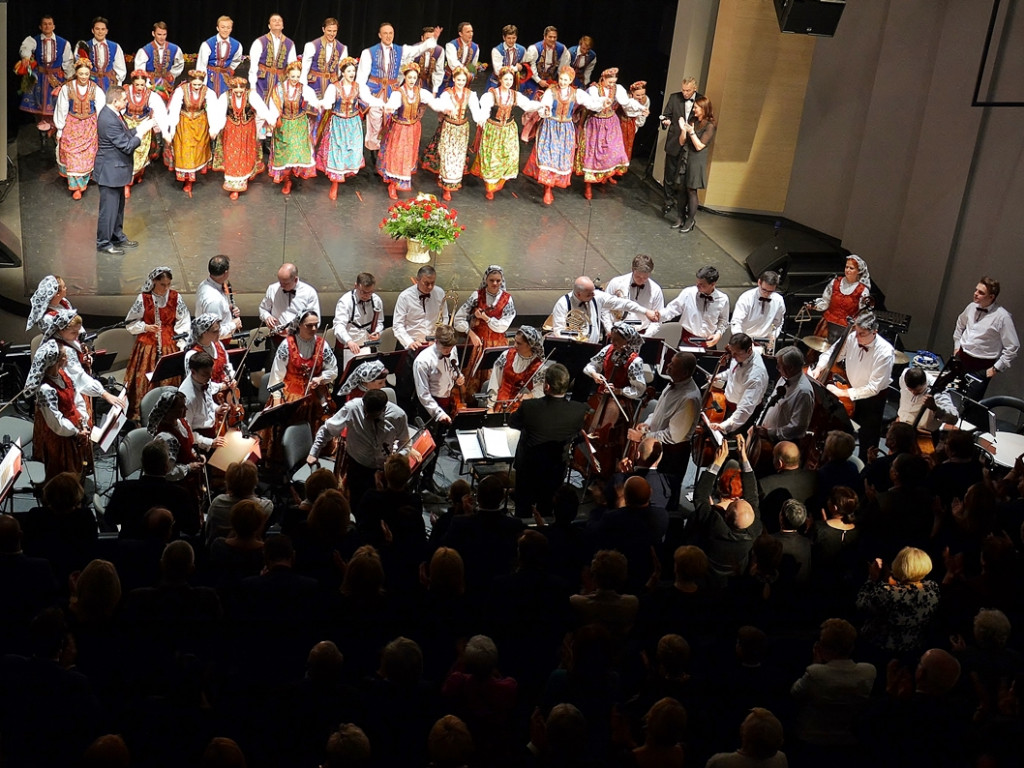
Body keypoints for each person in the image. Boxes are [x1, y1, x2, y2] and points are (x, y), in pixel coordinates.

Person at [811, 312, 894, 461]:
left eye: (861, 334)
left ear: (874, 332)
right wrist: (819, 367)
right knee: (845, 431)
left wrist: (842, 393)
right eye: (856, 331)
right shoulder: (852, 338)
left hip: (872, 400)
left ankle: (865, 469)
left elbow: (873, 387)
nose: (856, 337)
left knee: (867, 439)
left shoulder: (885, 352)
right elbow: (832, 353)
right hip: (851, 391)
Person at [308, 389, 410, 507]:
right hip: (357, 467)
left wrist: (394, 463)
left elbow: (405, 443)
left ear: (383, 410)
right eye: (364, 411)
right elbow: (327, 429)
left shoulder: (398, 416)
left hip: (383, 472)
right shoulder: (353, 408)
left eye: (370, 415)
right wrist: (314, 452)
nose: (365, 416)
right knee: (355, 504)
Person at [509, 363, 589, 515]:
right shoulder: (579, 410)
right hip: (556, 471)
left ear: (546, 386)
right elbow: (577, 434)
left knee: (523, 509)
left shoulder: (529, 406)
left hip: (528, 469)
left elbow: (513, 422)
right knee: (547, 509)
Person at [356, 22, 442, 154]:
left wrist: (432, 41)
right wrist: (362, 95)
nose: (388, 36)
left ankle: (386, 152)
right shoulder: (368, 52)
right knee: (375, 121)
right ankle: (374, 152)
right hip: (375, 91)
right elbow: (361, 77)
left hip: (392, 91)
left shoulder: (400, 50)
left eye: (391, 33)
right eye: (385, 33)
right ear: (379, 35)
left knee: (392, 120)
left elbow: (417, 50)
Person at [522, 65, 603, 205]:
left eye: (566, 80)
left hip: (566, 129)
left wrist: (602, 103)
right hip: (550, 127)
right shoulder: (551, 91)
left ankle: (552, 184)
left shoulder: (576, 93)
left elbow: (591, 104)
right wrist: (545, 111)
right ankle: (547, 189)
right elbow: (544, 106)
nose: (563, 82)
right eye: (561, 79)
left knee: (560, 158)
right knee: (548, 156)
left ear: (571, 80)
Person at [630, 351, 701, 511]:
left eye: (673, 364)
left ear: (684, 372)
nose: (667, 365)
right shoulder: (672, 384)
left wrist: (643, 436)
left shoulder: (689, 398)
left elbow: (673, 436)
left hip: (671, 455)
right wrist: (647, 424)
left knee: (664, 496)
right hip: (658, 445)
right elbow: (659, 413)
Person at [689, 437, 762, 580]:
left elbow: (700, 495)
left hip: (705, 577)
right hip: (735, 578)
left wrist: (717, 462)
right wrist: (744, 458)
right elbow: (753, 497)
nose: (742, 499)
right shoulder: (754, 529)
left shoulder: (713, 524)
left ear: (726, 514)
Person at [123, 266, 191, 420]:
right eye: (162, 285)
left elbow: (184, 320)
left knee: (169, 380)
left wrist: (181, 341)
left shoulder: (175, 297)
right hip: (148, 345)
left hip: (169, 343)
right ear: (154, 282)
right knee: (145, 380)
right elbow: (130, 323)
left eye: (168, 284)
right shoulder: (144, 299)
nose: (166, 288)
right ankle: (144, 414)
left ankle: (169, 415)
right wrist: (145, 327)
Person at [469, 66, 545, 199]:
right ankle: (490, 186)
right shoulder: (491, 95)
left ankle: (501, 180)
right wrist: (481, 120)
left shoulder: (515, 95)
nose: (508, 82)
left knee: (510, 155)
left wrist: (541, 105)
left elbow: (527, 105)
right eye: (506, 79)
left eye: (510, 79)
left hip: (508, 129)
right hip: (493, 129)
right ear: (500, 79)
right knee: (491, 157)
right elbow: (485, 111)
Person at [95, 85, 154, 255]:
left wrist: (141, 127)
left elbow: (125, 134)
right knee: (109, 210)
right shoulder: (109, 119)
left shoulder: (114, 114)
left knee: (118, 207)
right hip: (110, 171)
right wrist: (140, 134)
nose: (126, 102)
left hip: (116, 171)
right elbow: (127, 146)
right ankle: (104, 243)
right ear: (115, 101)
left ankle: (117, 236)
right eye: (124, 100)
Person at [26, 340, 91, 483]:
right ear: (58, 360)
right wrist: (76, 431)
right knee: (60, 474)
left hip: (75, 427)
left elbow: (77, 398)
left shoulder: (63, 374)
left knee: (77, 468)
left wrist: (83, 420)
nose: (68, 356)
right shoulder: (46, 389)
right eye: (65, 354)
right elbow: (56, 423)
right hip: (59, 437)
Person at [856, 546, 941, 655]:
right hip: (914, 648)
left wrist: (871, 579)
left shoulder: (887, 593)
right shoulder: (932, 588)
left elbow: (861, 604)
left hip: (882, 649)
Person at [44, 309, 126, 423]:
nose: (77, 335)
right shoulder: (63, 350)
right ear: (60, 330)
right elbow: (79, 377)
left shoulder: (65, 342)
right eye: (74, 332)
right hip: (62, 399)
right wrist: (105, 394)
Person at [576, 67, 646, 200]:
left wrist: (641, 108)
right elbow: (592, 105)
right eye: (609, 82)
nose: (611, 84)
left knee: (612, 151)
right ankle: (588, 186)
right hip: (595, 123)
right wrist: (603, 102)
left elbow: (626, 102)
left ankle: (605, 176)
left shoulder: (618, 89)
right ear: (603, 78)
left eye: (614, 82)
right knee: (593, 154)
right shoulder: (594, 90)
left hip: (611, 123)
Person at [317, 58, 382, 198]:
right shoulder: (334, 87)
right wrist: (324, 104)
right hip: (338, 123)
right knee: (337, 151)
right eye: (349, 71)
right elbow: (328, 102)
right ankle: (335, 183)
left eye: (353, 70)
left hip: (353, 123)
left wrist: (382, 103)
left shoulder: (358, 87)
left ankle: (344, 172)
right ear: (343, 72)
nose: (352, 73)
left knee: (351, 149)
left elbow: (369, 98)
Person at [413, 325, 465, 491]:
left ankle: (428, 480)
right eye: (444, 347)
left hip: (446, 402)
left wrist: (459, 377)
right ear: (435, 341)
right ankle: (415, 484)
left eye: (450, 347)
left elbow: (453, 371)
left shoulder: (452, 350)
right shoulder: (422, 361)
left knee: (439, 444)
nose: (448, 350)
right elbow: (423, 394)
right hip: (429, 408)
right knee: (425, 449)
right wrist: (438, 413)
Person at [267, 309, 339, 431]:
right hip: (291, 399)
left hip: (316, 398)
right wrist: (277, 404)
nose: (314, 329)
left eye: (316, 324)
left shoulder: (322, 344)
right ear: (299, 325)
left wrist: (320, 378)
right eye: (309, 325)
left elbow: (333, 370)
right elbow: (276, 376)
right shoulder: (287, 345)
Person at [953, 276, 1019, 400]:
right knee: (950, 396)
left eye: (981, 292)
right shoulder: (971, 307)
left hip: (981, 366)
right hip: (961, 359)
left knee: (969, 405)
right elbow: (960, 324)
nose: (975, 294)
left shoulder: (1002, 317)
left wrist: (996, 368)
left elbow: (1013, 346)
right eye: (976, 290)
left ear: (991, 297)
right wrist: (957, 346)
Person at [378, 62, 436, 198]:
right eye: (409, 77)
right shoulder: (399, 93)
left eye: (414, 78)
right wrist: (389, 108)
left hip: (413, 128)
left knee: (408, 154)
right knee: (397, 154)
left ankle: (401, 179)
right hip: (400, 128)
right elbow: (392, 105)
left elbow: (433, 102)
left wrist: (443, 107)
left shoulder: (419, 91)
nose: (412, 80)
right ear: (405, 77)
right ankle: (392, 184)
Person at [421, 66, 479, 200]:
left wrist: (480, 119)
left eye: (463, 80)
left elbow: (476, 110)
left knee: (458, 156)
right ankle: (446, 186)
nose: (460, 82)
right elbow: (439, 105)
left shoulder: (469, 94)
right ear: (454, 79)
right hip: (449, 127)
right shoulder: (447, 93)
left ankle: (454, 181)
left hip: (462, 128)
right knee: (448, 155)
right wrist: (445, 109)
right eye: (458, 80)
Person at [208, 76, 268, 200]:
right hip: (231, 130)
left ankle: (243, 178)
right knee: (232, 154)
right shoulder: (225, 97)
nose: (239, 92)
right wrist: (214, 129)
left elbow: (262, 109)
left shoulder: (251, 95)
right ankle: (234, 184)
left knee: (245, 154)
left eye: (241, 90)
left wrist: (270, 120)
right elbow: (219, 115)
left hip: (247, 130)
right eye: (236, 90)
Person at [550, 276, 657, 345]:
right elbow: (559, 331)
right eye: (589, 294)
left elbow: (624, 303)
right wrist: (577, 337)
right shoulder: (563, 304)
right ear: (578, 294)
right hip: (572, 350)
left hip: (593, 349)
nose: (593, 295)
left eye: (593, 292)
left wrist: (645, 311)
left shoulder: (597, 296)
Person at [53, 59, 104, 200]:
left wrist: (102, 128)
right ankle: (76, 186)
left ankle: (83, 182)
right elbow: (61, 109)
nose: (83, 77)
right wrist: (60, 129)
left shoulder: (96, 89)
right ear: (76, 73)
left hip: (89, 126)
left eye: (86, 74)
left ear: (89, 74)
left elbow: (101, 110)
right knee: (72, 154)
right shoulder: (67, 88)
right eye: (81, 73)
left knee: (87, 155)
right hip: (72, 125)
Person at [266, 61, 319, 195]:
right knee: (285, 152)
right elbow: (275, 105)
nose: (295, 79)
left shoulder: (304, 88)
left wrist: (315, 105)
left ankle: (295, 173)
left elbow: (314, 102)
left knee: (298, 150)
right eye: (293, 76)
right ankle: (287, 179)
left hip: (299, 123)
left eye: (297, 76)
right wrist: (273, 119)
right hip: (284, 124)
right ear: (287, 75)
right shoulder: (280, 88)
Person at [17, 15, 73, 133]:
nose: (47, 26)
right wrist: (26, 56)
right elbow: (26, 48)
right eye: (44, 24)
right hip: (40, 79)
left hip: (56, 79)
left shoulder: (63, 43)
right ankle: (42, 136)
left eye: (49, 24)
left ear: (54, 26)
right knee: (39, 108)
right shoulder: (34, 40)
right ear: (40, 27)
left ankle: (54, 133)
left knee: (56, 106)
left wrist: (69, 79)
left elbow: (68, 62)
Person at [165, 69, 216, 197]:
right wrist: (171, 128)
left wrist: (213, 127)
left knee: (197, 151)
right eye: (195, 85)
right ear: (190, 82)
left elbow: (212, 109)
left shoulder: (208, 92)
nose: (197, 87)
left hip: (200, 123)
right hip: (184, 123)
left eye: (199, 85)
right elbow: (175, 109)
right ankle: (187, 180)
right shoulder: (181, 91)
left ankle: (192, 178)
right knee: (185, 150)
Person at [751, 345, 816, 445]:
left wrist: (770, 433)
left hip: (780, 443)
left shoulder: (804, 392)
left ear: (790, 368)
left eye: (779, 365)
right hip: (763, 436)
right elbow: (770, 403)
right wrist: (758, 424)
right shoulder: (784, 378)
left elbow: (797, 427)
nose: (777, 368)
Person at [711, 333, 770, 436]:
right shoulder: (740, 356)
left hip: (741, 415)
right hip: (727, 404)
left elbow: (745, 409)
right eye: (731, 352)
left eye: (736, 353)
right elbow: (733, 371)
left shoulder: (756, 376)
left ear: (749, 350)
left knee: (729, 442)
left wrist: (725, 425)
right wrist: (720, 376)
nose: (732, 356)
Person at [672, 95, 716, 232]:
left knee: (691, 189)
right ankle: (680, 217)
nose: (694, 110)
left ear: (704, 109)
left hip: (696, 160)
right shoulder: (692, 120)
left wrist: (691, 132)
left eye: (696, 107)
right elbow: (681, 142)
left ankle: (690, 221)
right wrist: (683, 130)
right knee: (681, 188)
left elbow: (699, 146)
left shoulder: (709, 126)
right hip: (686, 156)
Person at [659, 76, 702, 214]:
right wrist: (666, 121)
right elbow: (666, 115)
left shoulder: (701, 100)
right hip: (674, 141)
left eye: (688, 91)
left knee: (686, 176)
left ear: (694, 89)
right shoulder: (674, 98)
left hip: (690, 143)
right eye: (683, 90)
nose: (685, 93)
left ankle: (684, 206)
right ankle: (668, 201)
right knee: (670, 174)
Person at [121, 71, 167, 197]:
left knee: (140, 152)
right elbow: (118, 107)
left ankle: (138, 173)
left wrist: (163, 131)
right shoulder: (125, 92)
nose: (140, 88)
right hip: (128, 126)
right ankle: (127, 183)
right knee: (128, 153)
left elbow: (160, 112)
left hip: (143, 126)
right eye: (137, 85)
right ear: (132, 83)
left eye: (142, 84)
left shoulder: (151, 95)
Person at [661, 265, 730, 347]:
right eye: (697, 283)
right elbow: (672, 309)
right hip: (687, 341)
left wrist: (718, 334)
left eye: (702, 284)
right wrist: (658, 316)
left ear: (712, 284)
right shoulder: (688, 293)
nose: (698, 286)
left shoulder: (723, 299)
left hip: (709, 342)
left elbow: (723, 320)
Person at [809, 255, 872, 343]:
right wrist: (815, 306)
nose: (848, 270)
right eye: (846, 267)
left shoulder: (862, 291)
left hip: (846, 330)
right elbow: (825, 301)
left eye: (851, 268)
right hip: (828, 324)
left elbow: (862, 313)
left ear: (858, 271)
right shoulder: (835, 282)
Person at [601, 254, 665, 337]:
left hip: (641, 333)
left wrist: (646, 336)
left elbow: (658, 319)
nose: (641, 280)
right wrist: (609, 329)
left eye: (645, 277)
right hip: (616, 331)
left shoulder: (656, 290)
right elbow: (605, 308)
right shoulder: (616, 282)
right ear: (632, 270)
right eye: (638, 276)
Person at [453, 265, 516, 348]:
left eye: (498, 280)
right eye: (491, 280)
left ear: (502, 281)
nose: (494, 283)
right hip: (477, 343)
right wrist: (471, 333)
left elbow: (503, 325)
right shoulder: (476, 296)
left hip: (498, 344)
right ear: (486, 280)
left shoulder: (507, 299)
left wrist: (486, 318)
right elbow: (458, 319)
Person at [487, 326, 546, 411]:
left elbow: (540, 390)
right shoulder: (506, 355)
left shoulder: (539, 367)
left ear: (530, 345)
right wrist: (490, 407)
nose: (515, 345)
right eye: (515, 341)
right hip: (500, 408)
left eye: (519, 343)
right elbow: (494, 381)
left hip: (522, 412)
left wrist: (530, 396)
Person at [333, 272, 385, 363]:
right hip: (348, 348)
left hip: (368, 347)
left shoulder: (376, 301)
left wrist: (378, 331)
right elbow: (339, 326)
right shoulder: (345, 302)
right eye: (363, 292)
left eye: (370, 292)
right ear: (356, 286)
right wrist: (349, 341)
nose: (366, 295)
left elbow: (380, 322)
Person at [259, 263, 322, 336]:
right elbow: (263, 309)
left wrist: (293, 330)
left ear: (295, 280)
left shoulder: (309, 292)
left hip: (300, 339)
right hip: (276, 338)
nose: (281, 286)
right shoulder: (273, 289)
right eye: (280, 282)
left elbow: (315, 320)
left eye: (285, 283)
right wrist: (267, 317)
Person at [731, 271, 786, 351]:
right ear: (759, 282)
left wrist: (773, 336)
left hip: (764, 342)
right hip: (745, 340)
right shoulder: (746, 298)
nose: (766, 294)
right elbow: (736, 322)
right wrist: (742, 341)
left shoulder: (779, 300)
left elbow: (778, 323)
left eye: (770, 291)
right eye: (764, 290)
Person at [249, 13, 297, 102]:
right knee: (261, 109)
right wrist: (252, 86)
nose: (277, 22)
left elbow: (292, 66)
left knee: (277, 108)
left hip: (280, 81)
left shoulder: (289, 43)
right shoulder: (260, 42)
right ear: (269, 26)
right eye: (274, 20)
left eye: (279, 21)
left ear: (283, 26)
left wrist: (291, 85)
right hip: (262, 81)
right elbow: (253, 66)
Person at [185, 314, 237, 395]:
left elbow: (227, 365)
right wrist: (220, 387)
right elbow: (196, 384)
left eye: (219, 330)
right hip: (206, 397)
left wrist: (231, 377)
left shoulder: (219, 344)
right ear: (204, 332)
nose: (219, 333)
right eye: (215, 331)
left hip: (225, 394)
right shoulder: (193, 354)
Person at [302, 17, 349, 105]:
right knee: (313, 113)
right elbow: (305, 69)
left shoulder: (342, 48)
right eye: (329, 31)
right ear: (323, 29)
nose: (332, 34)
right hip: (314, 85)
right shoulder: (312, 46)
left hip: (332, 85)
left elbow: (342, 72)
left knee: (330, 113)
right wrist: (303, 88)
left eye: (334, 31)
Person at [896, 367, 959, 432]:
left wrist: (935, 408)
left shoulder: (938, 393)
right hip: (901, 424)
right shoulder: (904, 375)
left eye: (918, 390)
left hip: (923, 432)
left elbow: (954, 419)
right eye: (910, 390)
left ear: (925, 383)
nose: (914, 393)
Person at [133, 22, 184, 102]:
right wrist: (146, 84)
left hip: (167, 85)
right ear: (153, 34)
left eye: (164, 34)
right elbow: (140, 70)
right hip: (150, 85)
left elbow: (180, 63)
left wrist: (172, 74)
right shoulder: (145, 50)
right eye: (159, 34)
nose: (162, 37)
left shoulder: (174, 48)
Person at [195, 255, 242, 342]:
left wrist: (228, 310)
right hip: (216, 346)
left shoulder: (204, 284)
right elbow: (214, 333)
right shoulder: (214, 300)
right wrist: (233, 325)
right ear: (226, 273)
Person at [196, 15, 244, 96]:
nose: (225, 30)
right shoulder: (207, 44)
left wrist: (229, 70)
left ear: (231, 29)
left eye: (228, 28)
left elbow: (237, 60)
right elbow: (201, 65)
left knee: (225, 99)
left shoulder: (237, 45)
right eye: (223, 27)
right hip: (210, 76)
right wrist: (202, 83)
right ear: (218, 28)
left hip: (225, 77)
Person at [521, 26, 570, 101]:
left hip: (550, 80)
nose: (552, 39)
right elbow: (530, 66)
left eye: (554, 37)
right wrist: (539, 80)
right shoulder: (535, 49)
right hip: (534, 79)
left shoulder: (562, 49)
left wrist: (560, 80)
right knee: (529, 99)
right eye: (550, 37)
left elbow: (563, 66)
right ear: (544, 36)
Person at [83, 17, 126, 91]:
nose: (100, 32)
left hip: (109, 84)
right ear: (92, 30)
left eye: (103, 29)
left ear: (106, 31)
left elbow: (120, 68)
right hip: (90, 83)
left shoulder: (115, 46)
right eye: (97, 29)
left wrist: (118, 86)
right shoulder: (85, 46)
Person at [440, 23, 480, 93]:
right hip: (449, 80)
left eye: (472, 31)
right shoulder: (451, 45)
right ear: (460, 34)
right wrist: (466, 72)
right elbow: (453, 63)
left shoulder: (475, 47)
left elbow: (472, 65)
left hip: (464, 81)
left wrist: (471, 75)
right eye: (468, 32)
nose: (471, 34)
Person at [488, 25, 526, 89]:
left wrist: (522, 67)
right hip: (497, 83)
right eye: (509, 38)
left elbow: (525, 66)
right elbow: (498, 71)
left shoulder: (522, 50)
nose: (511, 41)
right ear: (504, 37)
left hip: (513, 84)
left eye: (513, 38)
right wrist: (516, 68)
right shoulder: (497, 50)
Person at [620, 81, 651, 161]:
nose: (640, 97)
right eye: (638, 95)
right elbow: (628, 111)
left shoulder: (646, 100)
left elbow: (641, 120)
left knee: (626, 148)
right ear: (632, 93)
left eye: (643, 94)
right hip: (619, 124)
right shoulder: (626, 98)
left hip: (631, 125)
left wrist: (635, 126)